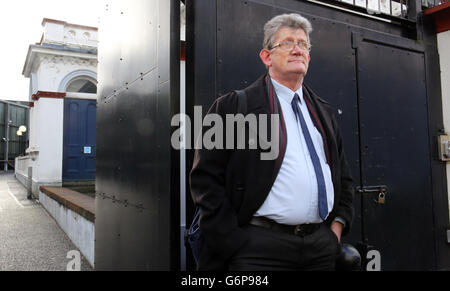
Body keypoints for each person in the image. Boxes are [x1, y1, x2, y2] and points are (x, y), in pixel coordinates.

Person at [189, 13, 354, 271]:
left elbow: (343, 177)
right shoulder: (234, 107)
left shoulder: (324, 113)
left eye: (303, 44)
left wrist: (336, 228)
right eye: (287, 43)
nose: (298, 49)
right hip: (258, 250)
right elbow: (205, 179)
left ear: (309, 57)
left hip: (320, 248)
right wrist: (231, 241)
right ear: (267, 57)